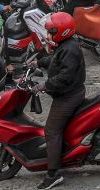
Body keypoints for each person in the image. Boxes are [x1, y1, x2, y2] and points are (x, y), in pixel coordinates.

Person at [32, 12, 86, 190]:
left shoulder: (69, 49)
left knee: (51, 130)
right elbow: (56, 61)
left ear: (61, 32)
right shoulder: (66, 45)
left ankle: (53, 174)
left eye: (50, 32)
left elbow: (64, 76)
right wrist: (39, 63)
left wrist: (44, 85)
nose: (47, 36)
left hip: (69, 95)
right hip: (68, 93)